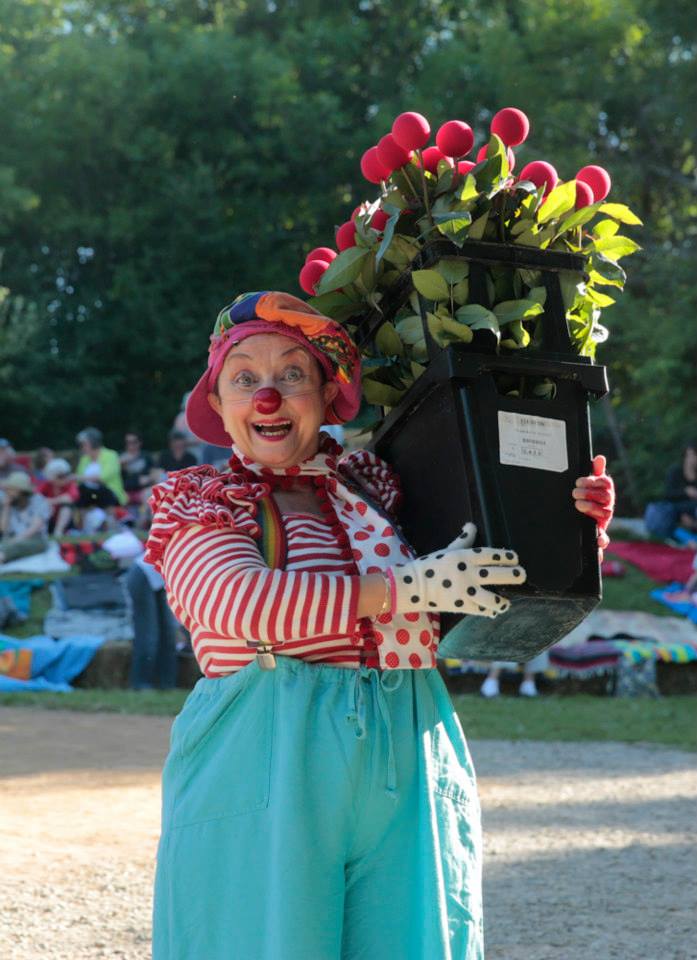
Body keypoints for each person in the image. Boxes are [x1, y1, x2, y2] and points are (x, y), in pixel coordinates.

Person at [144, 290, 615, 959]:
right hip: (268, 749)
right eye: (244, 378)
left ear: (327, 396)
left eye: (292, 376)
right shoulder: (204, 502)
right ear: (219, 407)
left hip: (410, 735)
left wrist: (568, 528)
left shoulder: (377, 490)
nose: (268, 395)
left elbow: (486, 586)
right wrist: (408, 586)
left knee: (412, 942)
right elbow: (235, 603)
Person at [0, 471, 51, 564]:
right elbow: (3, 529)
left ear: (21, 491)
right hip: (12, 538)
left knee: (12, 547)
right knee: (7, 546)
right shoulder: (8, 503)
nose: (7, 492)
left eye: (11, 489)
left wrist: (15, 541)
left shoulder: (38, 501)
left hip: (35, 539)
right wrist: (6, 507)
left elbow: (35, 528)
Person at [75, 427, 127, 511]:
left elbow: (103, 477)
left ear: (93, 443)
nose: (81, 447)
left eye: (83, 444)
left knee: (99, 493)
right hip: (90, 495)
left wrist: (78, 477)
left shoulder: (111, 455)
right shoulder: (84, 459)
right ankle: (82, 522)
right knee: (80, 494)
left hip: (109, 494)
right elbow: (78, 481)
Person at [37, 458, 80, 536]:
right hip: (48, 518)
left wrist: (50, 501)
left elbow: (70, 498)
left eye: (66, 475)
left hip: (66, 522)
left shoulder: (70, 484)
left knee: (66, 506)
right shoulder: (47, 485)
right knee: (44, 507)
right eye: (60, 476)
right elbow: (36, 498)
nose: (64, 478)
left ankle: (58, 533)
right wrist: (48, 503)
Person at [119, 431, 154, 501]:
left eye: (134, 442)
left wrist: (149, 478)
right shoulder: (120, 458)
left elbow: (154, 474)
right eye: (128, 442)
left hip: (143, 491)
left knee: (150, 493)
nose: (131, 445)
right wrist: (137, 481)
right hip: (125, 491)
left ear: (140, 443)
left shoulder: (146, 456)